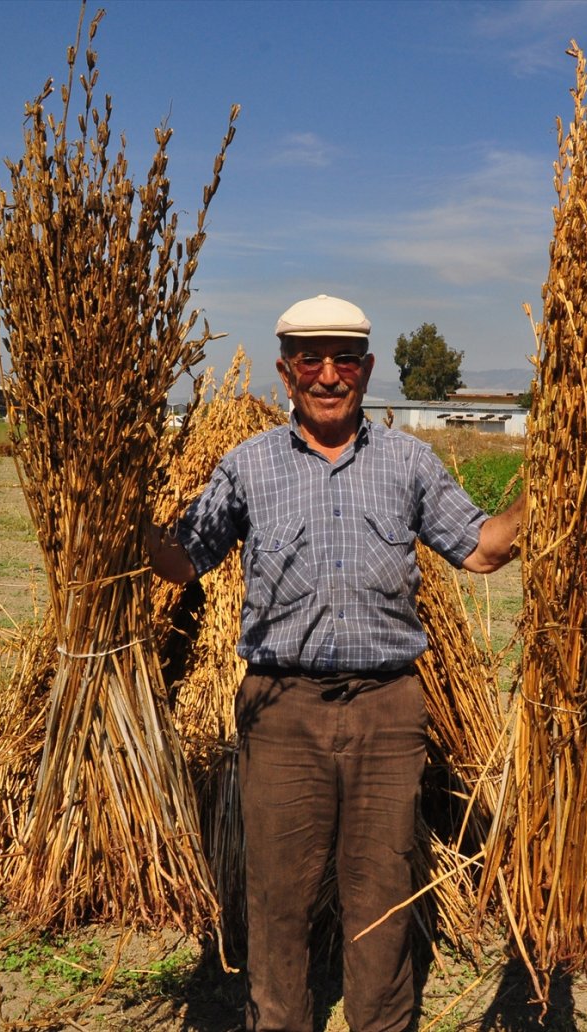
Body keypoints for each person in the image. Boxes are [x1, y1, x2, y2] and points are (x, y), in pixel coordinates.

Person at [147, 294, 523, 1032]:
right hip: (280, 711)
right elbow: (186, 560)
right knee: (279, 895)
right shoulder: (248, 465)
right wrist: (120, 513)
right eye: (310, 361)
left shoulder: (409, 461)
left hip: (389, 711)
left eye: (343, 360)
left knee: (381, 892)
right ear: (286, 373)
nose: (328, 375)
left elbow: (482, 548)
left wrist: (552, 488)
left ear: (367, 369)